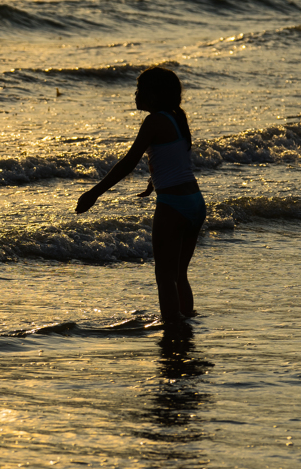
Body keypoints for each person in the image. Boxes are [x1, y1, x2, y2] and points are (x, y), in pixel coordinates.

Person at [75, 67, 205, 324]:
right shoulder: (176, 117)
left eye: (140, 90)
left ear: (154, 95)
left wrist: (94, 193)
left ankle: (172, 329)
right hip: (195, 202)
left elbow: (128, 162)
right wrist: (153, 182)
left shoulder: (154, 121)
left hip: (173, 206)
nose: (135, 94)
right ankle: (186, 323)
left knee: (164, 276)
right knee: (179, 273)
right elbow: (173, 157)